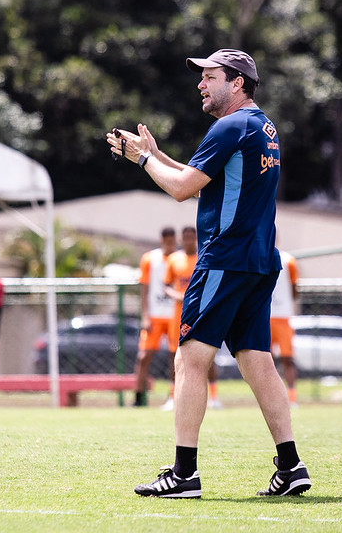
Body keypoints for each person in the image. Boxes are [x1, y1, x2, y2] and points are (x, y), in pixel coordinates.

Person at [107, 48, 311, 498]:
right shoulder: (262, 126)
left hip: (224, 258)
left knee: (189, 359)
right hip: (259, 260)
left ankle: (184, 475)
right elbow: (205, 179)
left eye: (210, 76)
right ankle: (291, 466)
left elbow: (182, 190)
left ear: (236, 83)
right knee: (257, 360)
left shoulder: (229, 126)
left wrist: (142, 159)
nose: (201, 84)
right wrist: (158, 155)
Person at [164, 226, 222, 411]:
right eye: (186, 237)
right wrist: (176, 295)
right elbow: (166, 286)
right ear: (182, 238)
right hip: (179, 314)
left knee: (207, 352)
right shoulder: (174, 259)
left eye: (192, 237)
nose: (189, 240)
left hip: (200, 313)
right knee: (175, 355)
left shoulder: (203, 256)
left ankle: (214, 397)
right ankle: (172, 397)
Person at [133, 227, 178, 407]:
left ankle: (173, 397)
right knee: (144, 356)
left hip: (175, 315)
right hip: (155, 315)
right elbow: (144, 288)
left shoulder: (179, 258)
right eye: (167, 241)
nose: (170, 245)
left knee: (175, 358)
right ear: (162, 241)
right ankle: (138, 397)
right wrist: (145, 315)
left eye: (172, 241)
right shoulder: (150, 259)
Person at [270, 248, 300, 405]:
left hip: (282, 316)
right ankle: (270, 397)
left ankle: (292, 398)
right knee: (266, 360)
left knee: (287, 358)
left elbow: (295, 288)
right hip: (264, 316)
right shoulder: (257, 255)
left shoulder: (288, 260)